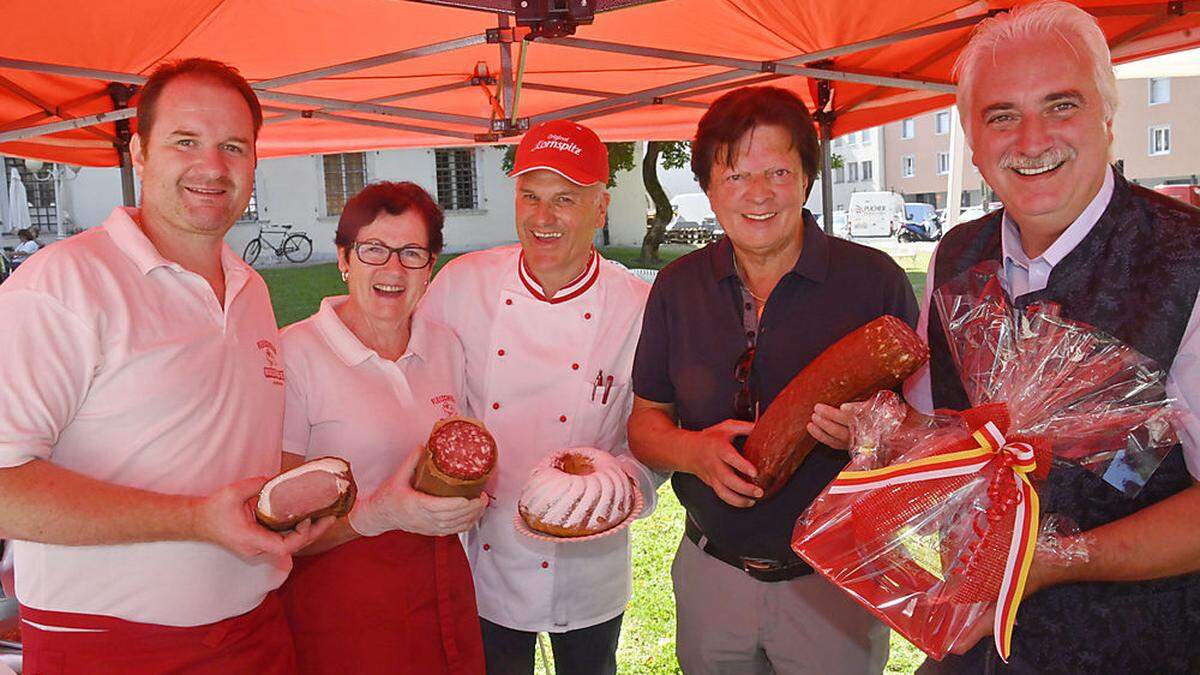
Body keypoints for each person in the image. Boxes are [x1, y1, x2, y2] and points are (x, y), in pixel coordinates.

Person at [815, 2, 1200, 671]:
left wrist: (1051, 560)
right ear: (970, 136)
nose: (1030, 139)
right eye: (1001, 115)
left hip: (1142, 646)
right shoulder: (957, 255)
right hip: (975, 646)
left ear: (1108, 116)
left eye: (1061, 105)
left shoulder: (1186, 261)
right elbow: (950, 437)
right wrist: (895, 434)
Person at [0, 58, 333, 674]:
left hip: (254, 629)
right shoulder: (62, 284)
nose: (212, 166)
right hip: (109, 647)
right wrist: (193, 521)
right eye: (186, 141)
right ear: (141, 152)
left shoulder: (252, 288)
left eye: (233, 146)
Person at [627, 85, 918, 674]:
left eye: (778, 171)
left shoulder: (873, 282)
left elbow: (928, 431)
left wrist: (869, 433)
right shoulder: (678, 288)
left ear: (808, 177)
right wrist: (695, 453)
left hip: (835, 579)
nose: (757, 195)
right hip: (712, 575)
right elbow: (645, 423)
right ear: (708, 189)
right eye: (734, 176)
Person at [416, 119, 661, 675]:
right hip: (484, 553)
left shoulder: (641, 307)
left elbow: (654, 435)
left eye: (565, 200)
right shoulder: (462, 284)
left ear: (601, 209)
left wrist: (619, 490)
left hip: (589, 560)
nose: (542, 217)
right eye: (530, 196)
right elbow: (419, 394)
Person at [277, 181, 487, 674]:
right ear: (344, 258)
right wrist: (376, 514)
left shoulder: (446, 347)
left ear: (430, 267)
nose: (392, 269)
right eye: (373, 249)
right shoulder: (295, 354)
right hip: (342, 605)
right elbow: (279, 524)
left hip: (440, 586)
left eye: (412, 253)